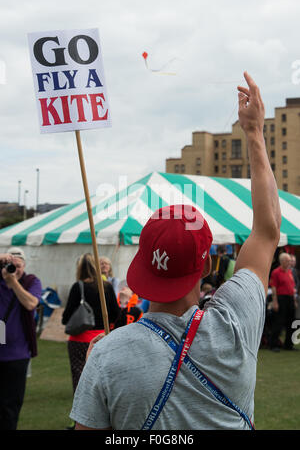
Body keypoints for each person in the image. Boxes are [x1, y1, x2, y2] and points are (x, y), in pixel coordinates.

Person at [69, 72, 281, 430]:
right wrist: (254, 133)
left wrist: (99, 362)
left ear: (143, 264)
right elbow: (266, 230)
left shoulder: (107, 352)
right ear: (205, 266)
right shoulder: (234, 322)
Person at [62, 253, 120, 395]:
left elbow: (66, 317)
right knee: (103, 380)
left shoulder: (78, 287)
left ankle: (82, 414)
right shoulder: (106, 287)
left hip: (80, 341)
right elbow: (116, 314)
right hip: (102, 338)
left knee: (80, 379)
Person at [0, 247, 42, 430]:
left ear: (24, 266)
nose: (14, 269)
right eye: (10, 265)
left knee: (10, 406)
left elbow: (31, 303)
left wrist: (13, 282)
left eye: (18, 266)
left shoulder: (31, 281)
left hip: (17, 355)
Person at [269, 252, 297, 352]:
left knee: (291, 322)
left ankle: (288, 345)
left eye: (290, 260)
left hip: (290, 299)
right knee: (279, 322)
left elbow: (292, 287)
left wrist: (294, 301)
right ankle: (273, 344)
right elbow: (273, 288)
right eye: (288, 260)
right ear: (282, 261)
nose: (290, 262)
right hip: (281, 299)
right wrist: (275, 302)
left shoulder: (289, 272)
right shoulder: (276, 272)